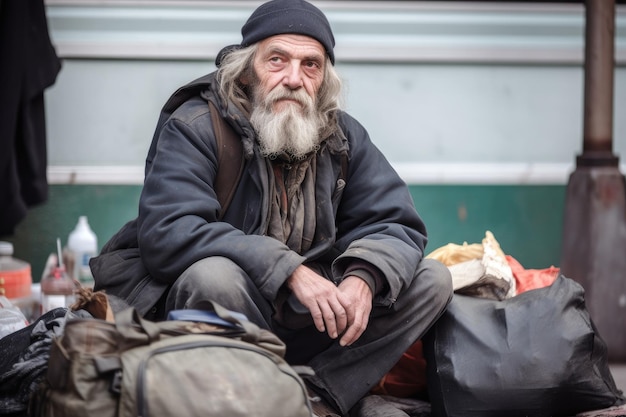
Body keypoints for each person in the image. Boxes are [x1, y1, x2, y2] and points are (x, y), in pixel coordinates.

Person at [91, 0, 453, 415]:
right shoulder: (195, 126)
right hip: (223, 313)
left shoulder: (343, 136)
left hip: (311, 315)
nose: (294, 79)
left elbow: (394, 223)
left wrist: (365, 277)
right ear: (247, 69)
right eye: (277, 60)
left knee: (432, 278)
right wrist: (288, 270)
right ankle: (257, 398)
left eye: (310, 65)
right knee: (214, 276)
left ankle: (318, 396)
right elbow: (170, 231)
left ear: (324, 79)